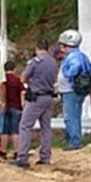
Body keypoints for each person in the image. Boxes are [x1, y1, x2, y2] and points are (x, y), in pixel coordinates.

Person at [15, 39, 58, 167]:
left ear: (37, 48)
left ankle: (23, 157)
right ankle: (45, 157)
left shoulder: (35, 61)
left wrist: (33, 80)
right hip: (49, 97)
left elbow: (23, 78)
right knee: (46, 127)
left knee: (25, 125)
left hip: (36, 97)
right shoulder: (53, 62)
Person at [58, 29, 91, 150]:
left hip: (70, 90)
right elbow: (90, 67)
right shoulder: (82, 55)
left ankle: (74, 142)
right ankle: (75, 139)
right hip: (77, 90)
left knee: (69, 116)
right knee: (76, 115)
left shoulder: (72, 56)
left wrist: (67, 73)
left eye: (62, 45)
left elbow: (75, 68)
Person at [0, 60, 23, 158]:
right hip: (16, 106)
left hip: (5, 106)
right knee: (15, 130)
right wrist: (22, 104)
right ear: (14, 69)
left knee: (5, 130)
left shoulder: (3, 80)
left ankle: (3, 150)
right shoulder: (17, 80)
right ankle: (16, 151)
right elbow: (22, 92)